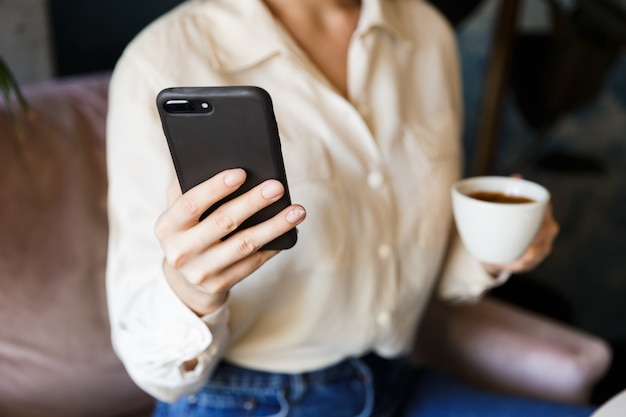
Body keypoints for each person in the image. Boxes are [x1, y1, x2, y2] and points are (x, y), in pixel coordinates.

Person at [105, 0, 594, 415]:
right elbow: (153, 366)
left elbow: (414, 262)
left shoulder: (426, 34)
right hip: (247, 400)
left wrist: (492, 251)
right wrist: (191, 290)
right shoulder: (163, 58)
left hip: (395, 380)